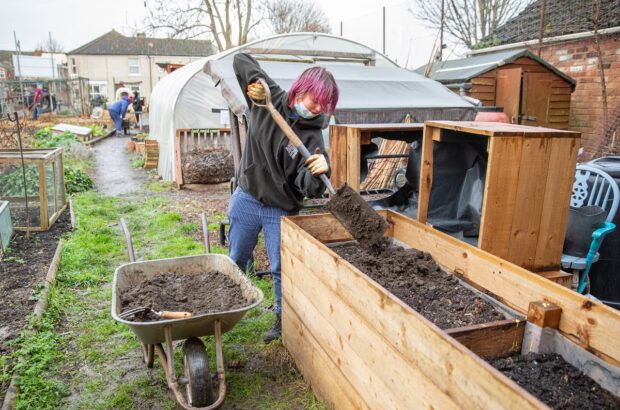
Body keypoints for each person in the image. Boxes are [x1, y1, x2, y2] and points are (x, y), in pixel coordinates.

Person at [229, 53, 339, 342]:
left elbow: (309, 188)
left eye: (322, 105)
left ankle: (281, 318)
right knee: (236, 256)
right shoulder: (269, 98)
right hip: (248, 195)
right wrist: (254, 82)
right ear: (300, 88)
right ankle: (226, 308)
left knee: (281, 268)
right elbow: (241, 60)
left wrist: (317, 172)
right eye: (313, 99)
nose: (315, 108)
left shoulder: (313, 139)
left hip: (281, 208)